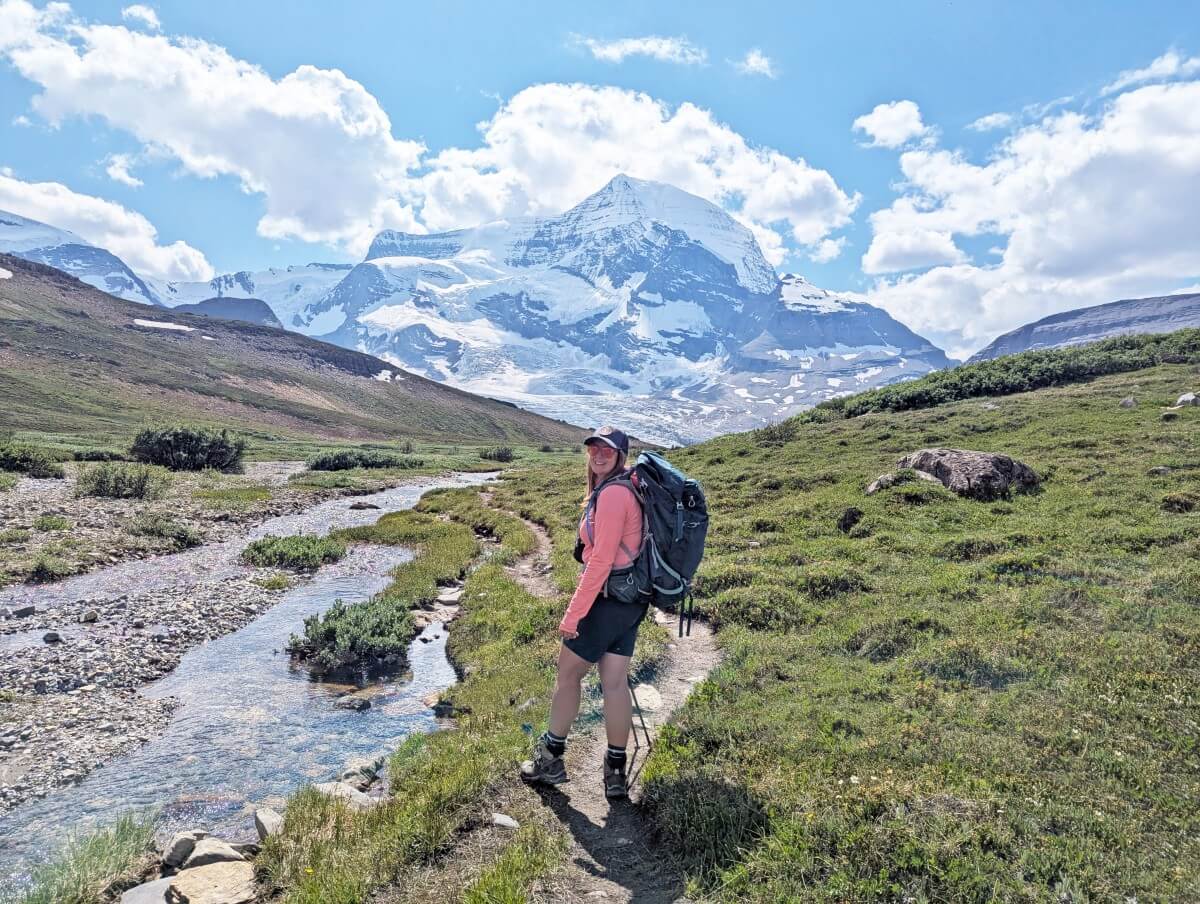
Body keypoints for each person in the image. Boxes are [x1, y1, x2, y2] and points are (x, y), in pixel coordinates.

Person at [520, 425, 647, 799]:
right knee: (614, 683)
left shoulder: (611, 496)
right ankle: (615, 772)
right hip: (630, 601)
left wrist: (573, 614)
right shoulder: (630, 489)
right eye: (593, 447)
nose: (599, 454)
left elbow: (601, 562)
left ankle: (550, 759)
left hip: (607, 601)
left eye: (607, 449)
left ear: (621, 455)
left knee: (568, 677)